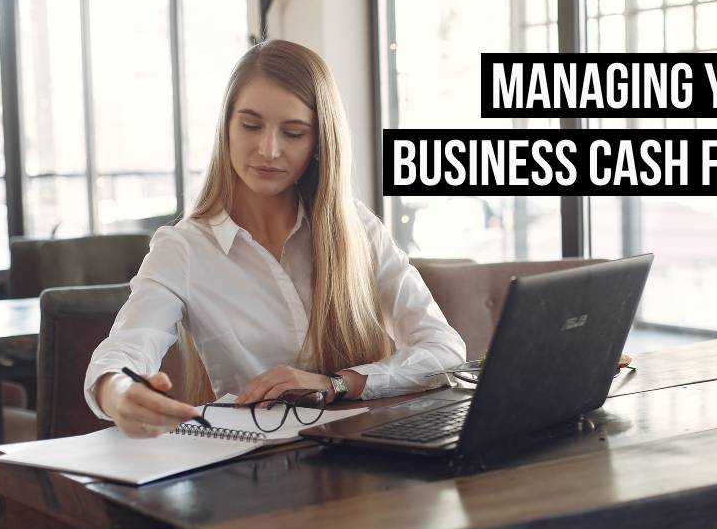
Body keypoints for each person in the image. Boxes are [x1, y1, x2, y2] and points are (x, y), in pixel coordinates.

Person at [84, 40, 466, 438]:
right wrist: (119, 392)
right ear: (227, 128)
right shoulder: (183, 248)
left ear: (319, 143)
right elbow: (125, 349)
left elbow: (444, 350)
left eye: (293, 133)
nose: (268, 149)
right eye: (250, 125)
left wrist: (337, 383)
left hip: (368, 454)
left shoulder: (357, 229)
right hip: (256, 467)